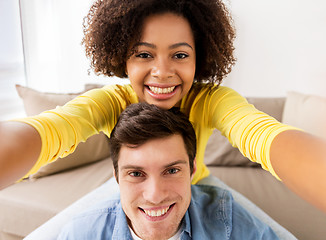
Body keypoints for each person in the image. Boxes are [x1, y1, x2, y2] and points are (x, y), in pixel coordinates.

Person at [0, 0, 325, 237]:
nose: (162, 72)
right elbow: (49, 130)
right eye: (144, 54)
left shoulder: (211, 100)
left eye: (180, 55)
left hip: (199, 183)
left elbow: (263, 136)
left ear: (200, 59)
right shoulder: (108, 102)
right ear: (122, 59)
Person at [58, 102, 279, 240]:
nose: (155, 196)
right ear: (117, 177)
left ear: (192, 170)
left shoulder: (226, 220)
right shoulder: (79, 233)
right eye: (136, 174)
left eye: (172, 171)